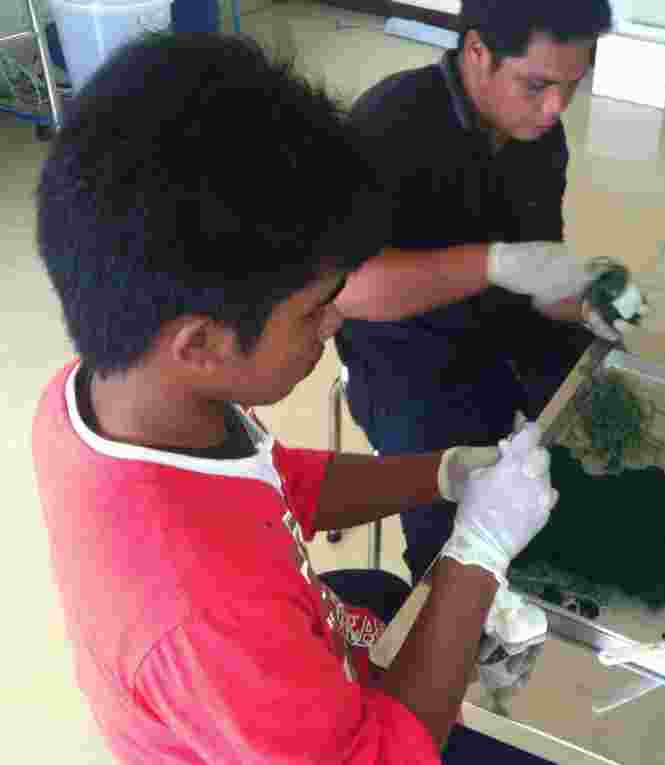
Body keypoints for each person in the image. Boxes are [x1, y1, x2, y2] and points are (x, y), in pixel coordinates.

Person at [33, 33, 558, 764]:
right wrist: (477, 555)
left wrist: (445, 472)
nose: (337, 321)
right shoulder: (206, 612)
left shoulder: (118, 397)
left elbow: (277, 482)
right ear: (202, 341)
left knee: (381, 589)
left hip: (293, 642)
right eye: (315, 310)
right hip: (306, 727)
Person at [335, 0, 641, 583]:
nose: (555, 108)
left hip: (508, 332)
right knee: (455, 541)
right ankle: (442, 612)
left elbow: (538, 274)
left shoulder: (539, 135)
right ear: (476, 50)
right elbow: (346, 291)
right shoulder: (388, 126)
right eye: (538, 85)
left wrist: (581, 296)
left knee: (597, 442)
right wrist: (492, 263)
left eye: (572, 86)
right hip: (407, 362)